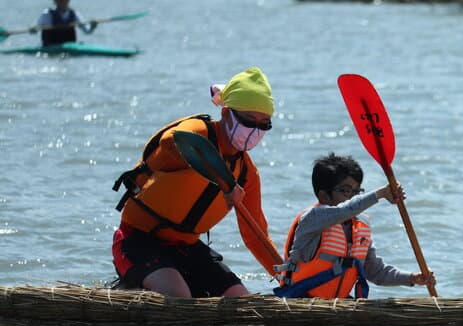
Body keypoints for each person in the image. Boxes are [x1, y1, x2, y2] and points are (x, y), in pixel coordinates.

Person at [111, 66, 282, 298]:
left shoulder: (247, 173)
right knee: (179, 295)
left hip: (188, 249)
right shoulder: (199, 133)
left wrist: (286, 274)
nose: (254, 130)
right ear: (226, 114)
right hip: (138, 240)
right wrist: (225, 182)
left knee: (242, 302)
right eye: (248, 120)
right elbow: (173, 141)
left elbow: (255, 234)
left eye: (264, 124)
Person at [275, 153, 435, 299]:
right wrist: (380, 194)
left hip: (337, 306)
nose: (353, 197)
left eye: (357, 191)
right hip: (300, 302)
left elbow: (376, 272)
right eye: (346, 190)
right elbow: (344, 209)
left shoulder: (359, 226)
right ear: (324, 195)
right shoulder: (313, 218)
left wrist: (412, 278)